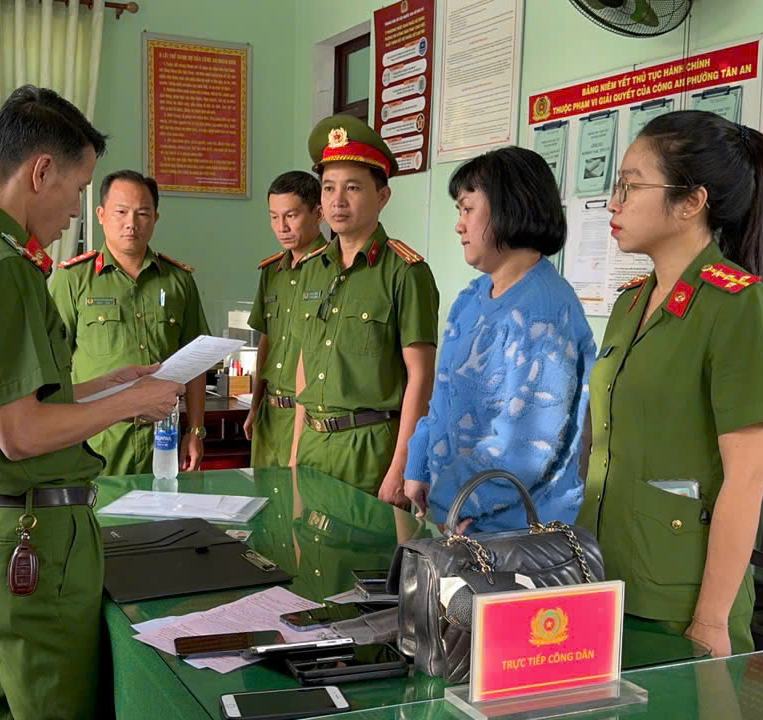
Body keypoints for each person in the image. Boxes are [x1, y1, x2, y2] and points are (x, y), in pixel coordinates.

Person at [0, 85, 183, 719]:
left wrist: (114, 383)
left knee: (3, 709)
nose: (77, 210)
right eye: (77, 188)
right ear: (41, 171)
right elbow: (21, 432)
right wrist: (131, 405)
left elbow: (28, 400)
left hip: (5, 530)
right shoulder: (2, 269)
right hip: (34, 539)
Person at [575, 110, 763, 658]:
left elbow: (747, 479)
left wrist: (712, 620)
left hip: (677, 597)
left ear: (692, 202)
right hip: (602, 572)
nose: (614, 202)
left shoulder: (742, 308)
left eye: (631, 185)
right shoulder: (630, 303)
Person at [404, 146, 596, 534]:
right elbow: (441, 398)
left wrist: (450, 500)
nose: (459, 226)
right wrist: (420, 466)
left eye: (467, 209)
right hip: (462, 518)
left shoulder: (543, 309)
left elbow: (526, 446)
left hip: (515, 532)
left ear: (508, 208)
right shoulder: (470, 300)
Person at [290, 115, 440, 506]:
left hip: (370, 451)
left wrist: (401, 468)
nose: (338, 201)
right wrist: (293, 454)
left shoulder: (405, 273)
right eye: (328, 188)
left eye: (352, 188)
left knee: (363, 564)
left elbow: (420, 378)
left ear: (383, 197)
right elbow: (305, 365)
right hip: (313, 446)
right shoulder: (311, 270)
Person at [51, 170, 211, 476]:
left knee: (163, 523)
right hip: (97, 441)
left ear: (155, 218)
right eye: (121, 212)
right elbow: (54, 365)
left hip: (164, 440)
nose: (131, 223)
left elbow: (197, 363)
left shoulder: (179, 281)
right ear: (100, 214)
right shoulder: (73, 280)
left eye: (142, 213)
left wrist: (196, 431)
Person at [244, 171, 327, 467]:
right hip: (270, 413)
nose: (282, 227)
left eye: (291, 215)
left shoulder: (332, 270)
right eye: (274, 217)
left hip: (309, 417)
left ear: (318, 213)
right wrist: (255, 405)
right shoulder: (271, 273)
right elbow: (266, 340)